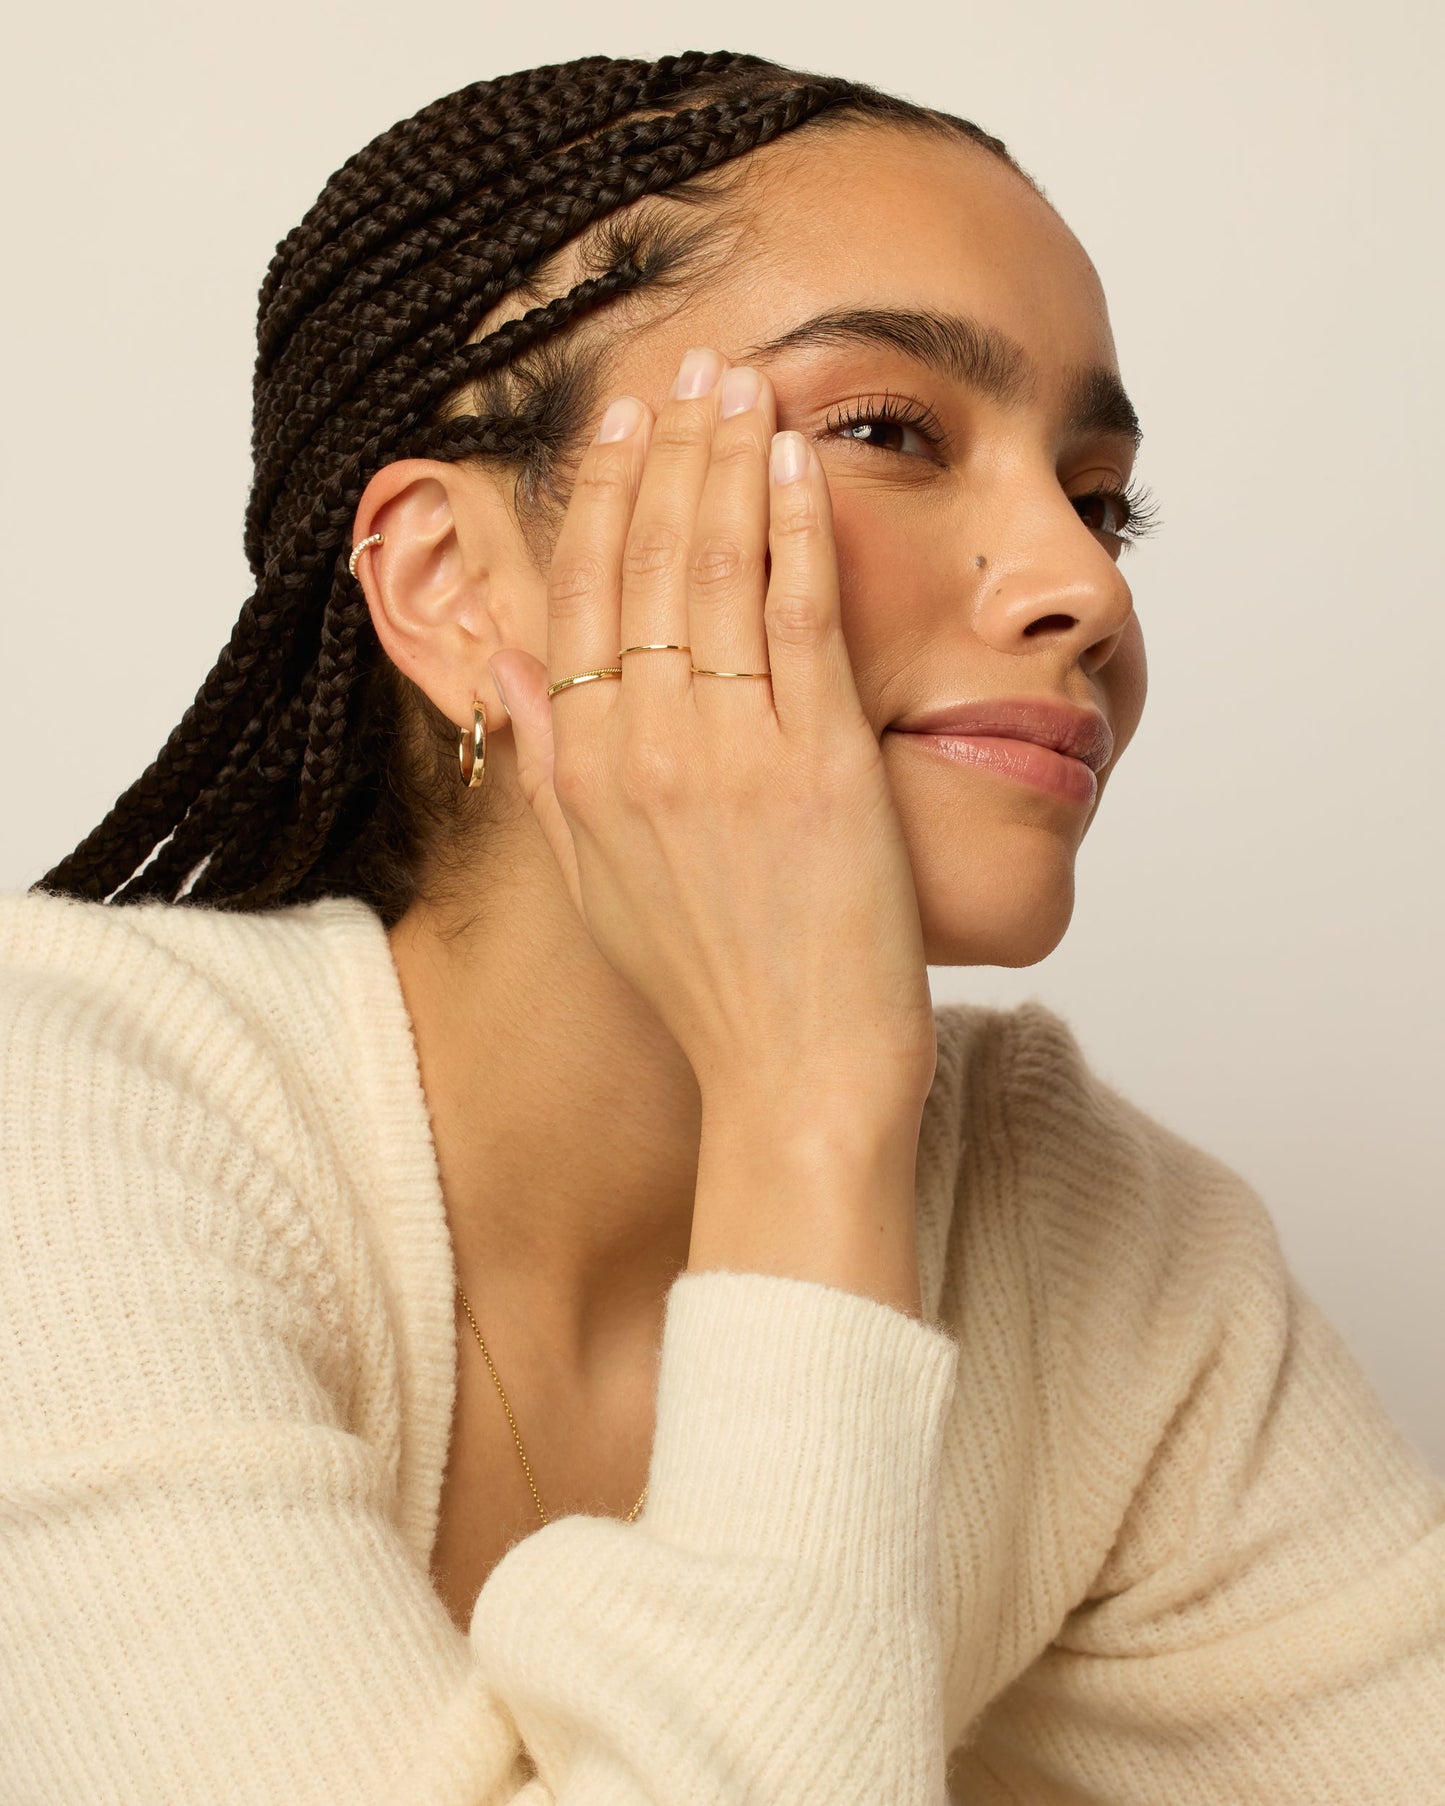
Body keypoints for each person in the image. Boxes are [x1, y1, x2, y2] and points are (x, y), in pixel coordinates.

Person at [1, 47, 1441, 1805]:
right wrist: (806, 1103)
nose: (1086, 586)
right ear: (450, 584)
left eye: (1096, 495)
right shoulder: (58, 1124)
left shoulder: (1093, 1238)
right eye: (888, 431)